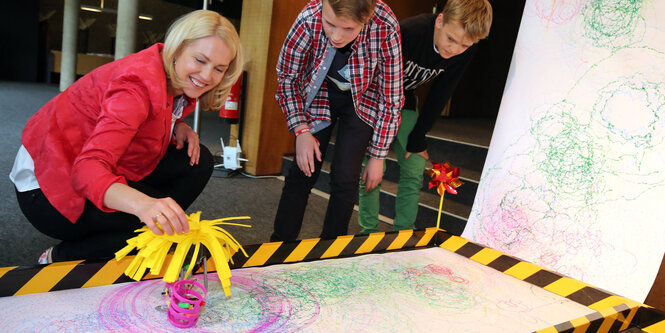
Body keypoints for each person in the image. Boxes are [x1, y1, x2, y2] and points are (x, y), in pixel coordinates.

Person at [9, 10, 243, 263]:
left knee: (197, 162)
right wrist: (144, 206)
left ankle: (127, 232)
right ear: (176, 50)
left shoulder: (172, 76)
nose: (207, 76)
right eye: (200, 60)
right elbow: (86, 170)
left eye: (219, 68)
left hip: (84, 159)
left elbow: (151, 109)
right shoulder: (134, 87)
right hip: (48, 186)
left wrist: (176, 123)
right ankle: (62, 257)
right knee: (147, 220)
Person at [271, 0, 403, 241]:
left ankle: (331, 251)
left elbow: (391, 97)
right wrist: (301, 130)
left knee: (346, 178)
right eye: (330, 24)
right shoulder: (309, 18)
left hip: (363, 100)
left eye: (349, 29)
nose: (336, 36)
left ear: (368, 17)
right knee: (303, 171)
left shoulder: (385, 24)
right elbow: (287, 78)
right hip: (318, 91)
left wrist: (378, 155)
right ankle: (279, 245)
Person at [357, 0, 492, 234]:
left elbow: (442, 92)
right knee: (370, 168)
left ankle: (404, 232)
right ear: (439, 21)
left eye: (465, 45)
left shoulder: (464, 51)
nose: (454, 49)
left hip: (406, 101)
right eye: (451, 39)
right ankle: (367, 232)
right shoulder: (409, 31)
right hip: (374, 100)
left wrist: (418, 137)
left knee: (415, 166)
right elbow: (371, 74)